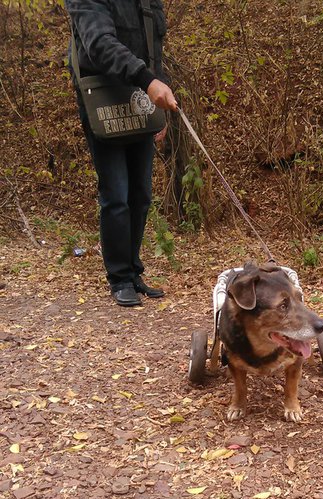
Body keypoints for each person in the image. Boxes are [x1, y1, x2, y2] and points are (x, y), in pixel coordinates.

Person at [65, 0, 178, 306]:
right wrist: (147, 80)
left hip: (141, 99)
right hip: (103, 102)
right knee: (116, 194)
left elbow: (154, 49)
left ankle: (133, 272)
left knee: (140, 195)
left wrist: (159, 102)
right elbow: (99, 43)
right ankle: (119, 279)